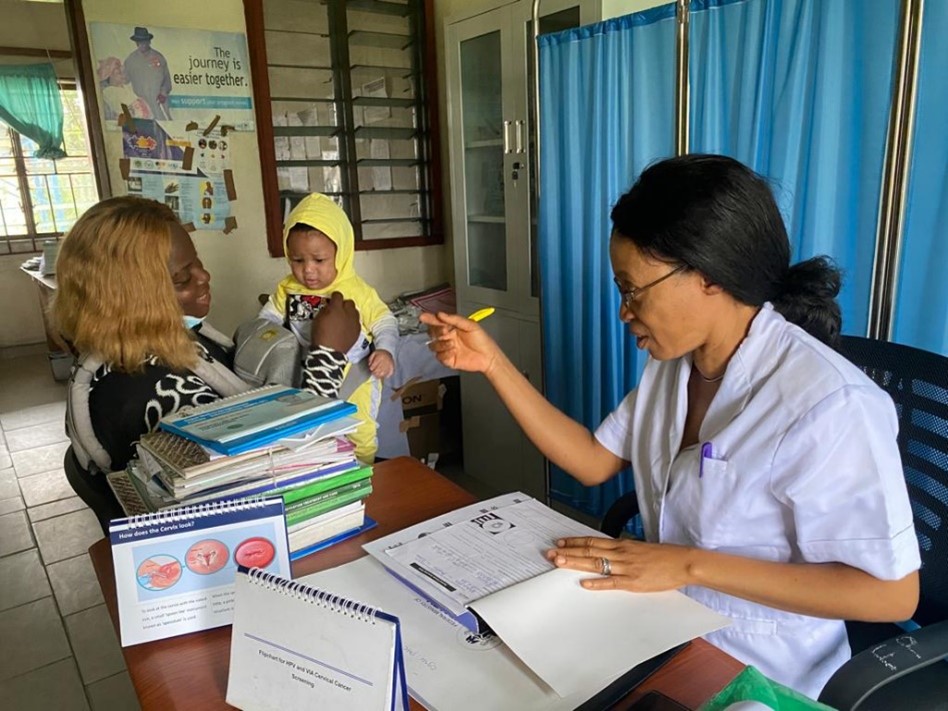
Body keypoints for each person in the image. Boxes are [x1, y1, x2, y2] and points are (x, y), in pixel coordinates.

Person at [422, 155, 920, 697]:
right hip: (666, 629)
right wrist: (492, 364)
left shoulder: (829, 403)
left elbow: (891, 595)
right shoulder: (673, 364)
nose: (623, 311)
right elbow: (594, 461)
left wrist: (687, 565)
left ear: (707, 274)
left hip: (761, 674)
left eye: (633, 289)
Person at [52, 196, 362, 533]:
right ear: (129, 300)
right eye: (182, 279)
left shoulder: (150, 345)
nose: (204, 276)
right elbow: (284, 479)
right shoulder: (152, 393)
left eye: (197, 263)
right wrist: (328, 357)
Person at [259, 193, 398, 463]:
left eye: (319, 260)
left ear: (341, 253)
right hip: (309, 377)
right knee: (314, 433)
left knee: (360, 431)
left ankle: (364, 473)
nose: (308, 270)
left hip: (355, 378)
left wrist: (386, 350)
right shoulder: (287, 289)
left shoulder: (357, 291)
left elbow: (386, 321)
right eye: (297, 260)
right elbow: (267, 321)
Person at [124, 27, 172, 120]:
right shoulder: (130, 60)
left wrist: (163, 92)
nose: (143, 44)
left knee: (164, 125)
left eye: (145, 41)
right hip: (141, 105)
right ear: (136, 43)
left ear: (149, 41)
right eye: (140, 42)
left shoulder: (159, 57)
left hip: (159, 102)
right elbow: (123, 81)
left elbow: (167, 80)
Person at [97, 56, 152, 121]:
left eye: (121, 69)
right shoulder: (109, 91)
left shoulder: (128, 88)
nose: (121, 72)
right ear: (109, 74)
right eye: (118, 72)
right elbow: (123, 113)